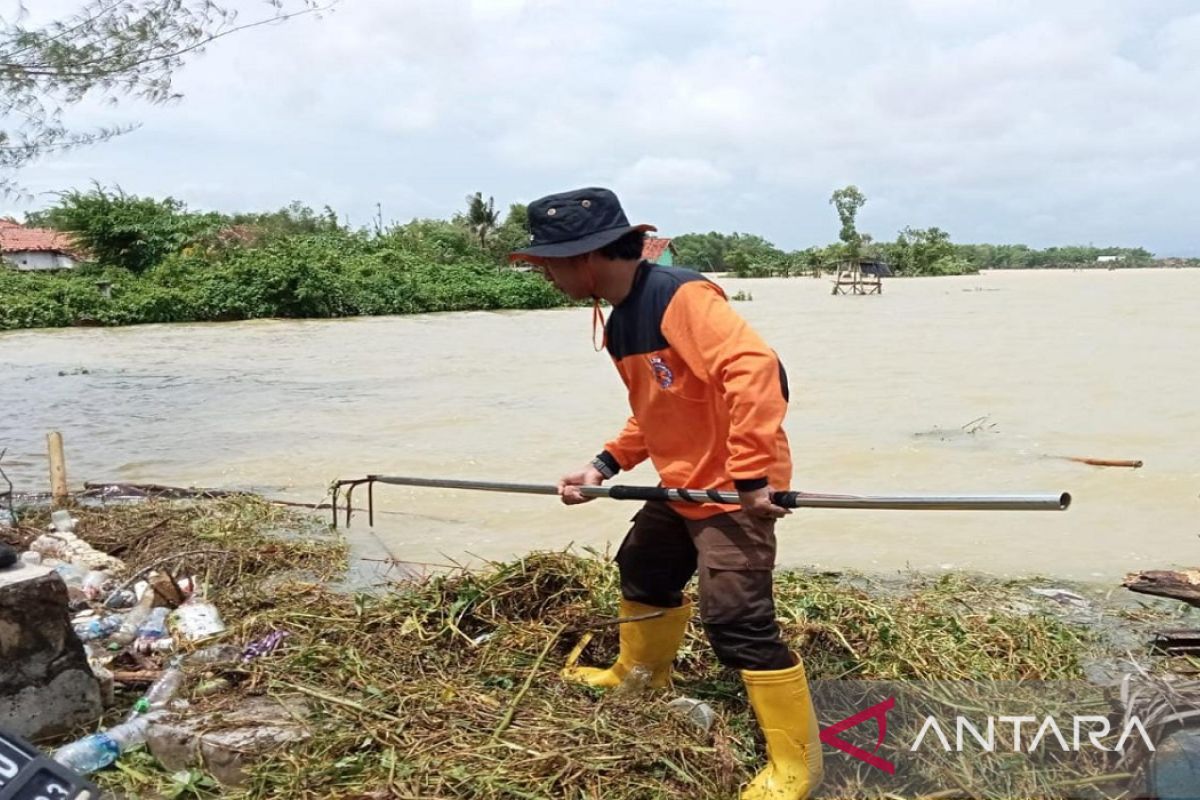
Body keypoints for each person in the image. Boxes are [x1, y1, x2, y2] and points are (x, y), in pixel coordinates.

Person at [509, 187, 822, 800]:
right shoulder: (623, 318)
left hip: (734, 488)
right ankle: (640, 675)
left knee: (737, 621)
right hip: (682, 480)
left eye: (550, 261)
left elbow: (755, 369)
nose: (544, 272)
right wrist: (603, 464)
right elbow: (656, 410)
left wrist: (754, 478)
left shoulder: (678, 296)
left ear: (589, 256)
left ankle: (800, 766)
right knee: (643, 569)